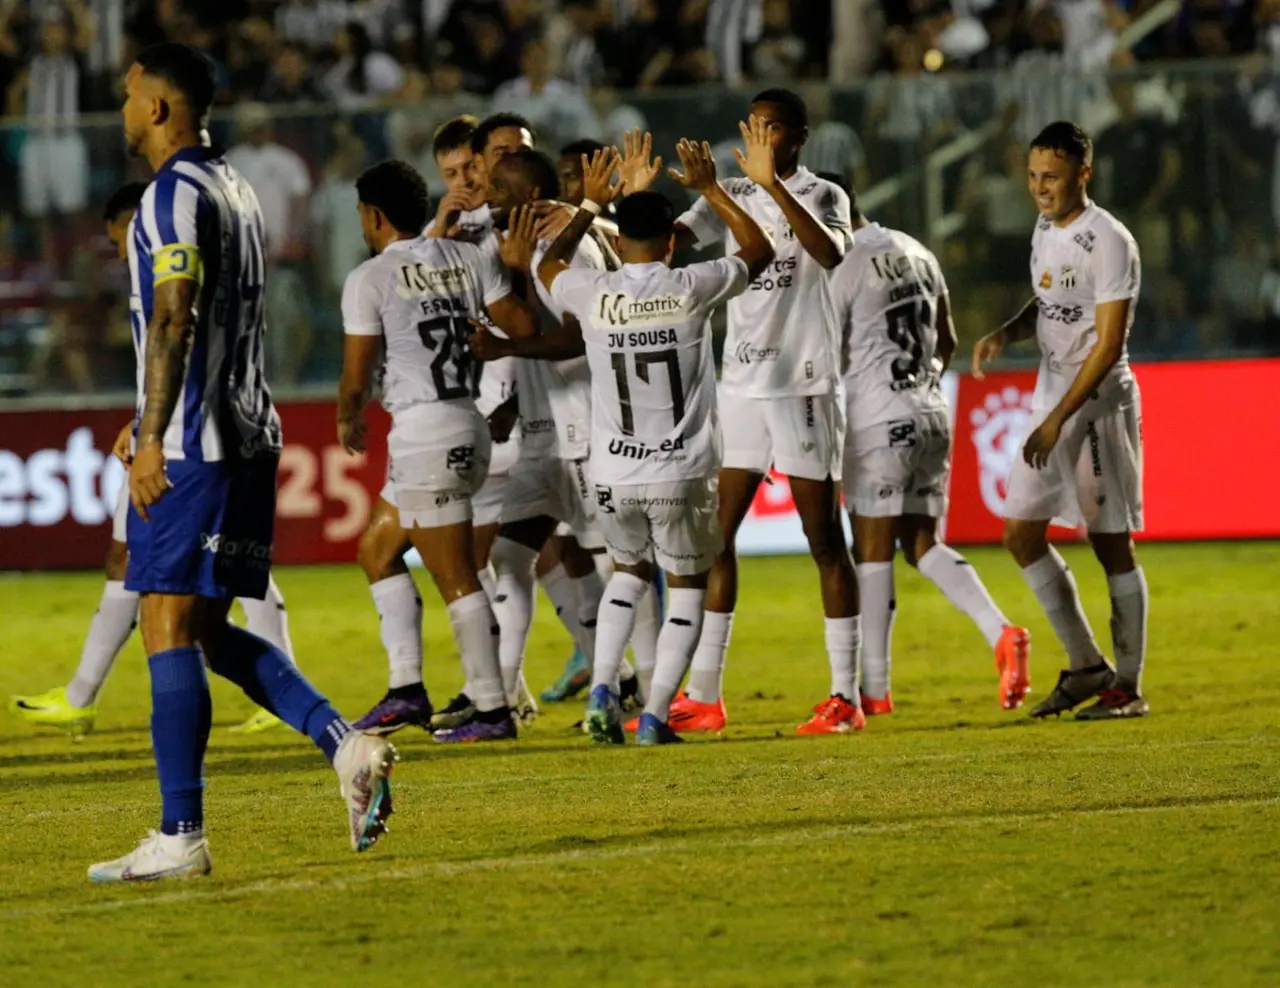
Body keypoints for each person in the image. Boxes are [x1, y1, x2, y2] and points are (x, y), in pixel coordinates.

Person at [89, 43, 397, 884]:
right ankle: (345, 745)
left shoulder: (170, 195)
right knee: (207, 628)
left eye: (129, 96)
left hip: (197, 443)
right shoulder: (238, 187)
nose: (123, 110)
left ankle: (180, 833)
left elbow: (176, 316)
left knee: (164, 621)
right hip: (251, 433)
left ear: (158, 107)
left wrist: (154, 435)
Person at [474, 138, 775, 745]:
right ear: (671, 243)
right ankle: (655, 715)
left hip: (613, 472)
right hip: (680, 471)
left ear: (619, 239)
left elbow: (550, 267)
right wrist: (709, 189)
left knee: (627, 577)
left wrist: (586, 205)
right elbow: (760, 250)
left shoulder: (594, 292)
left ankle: (603, 690)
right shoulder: (692, 285)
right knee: (687, 586)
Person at [8, 182, 299, 739]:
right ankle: (81, 695)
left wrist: (151, 429)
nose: (119, 252)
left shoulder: (175, 269)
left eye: (118, 238)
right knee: (152, 560)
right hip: (166, 431)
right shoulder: (159, 273)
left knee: (207, 572)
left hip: (185, 442)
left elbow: (187, 346)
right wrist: (140, 419)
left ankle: (92, 699)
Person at [623, 92, 863, 735]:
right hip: (741, 386)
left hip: (803, 383)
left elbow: (830, 254)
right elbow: (662, 248)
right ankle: (705, 694)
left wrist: (771, 188)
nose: (759, 136)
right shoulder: (727, 193)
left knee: (824, 541)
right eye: (753, 125)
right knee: (713, 538)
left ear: (799, 137)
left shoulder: (822, 194)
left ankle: (845, 697)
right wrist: (638, 200)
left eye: (772, 127)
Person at [338, 159, 539, 744]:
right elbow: (524, 327)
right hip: (463, 422)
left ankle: (492, 708)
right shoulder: (469, 258)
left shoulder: (371, 277)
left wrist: (347, 414)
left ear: (374, 215)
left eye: (362, 213)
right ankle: (405, 689)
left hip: (429, 435)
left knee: (456, 576)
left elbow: (356, 374)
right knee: (377, 550)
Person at [830, 188, 1033, 715]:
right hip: (932, 412)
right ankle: (1001, 631)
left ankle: (875, 690)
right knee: (921, 544)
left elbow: (824, 355)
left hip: (877, 419)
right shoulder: (917, 251)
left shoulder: (842, 267)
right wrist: (917, 385)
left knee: (872, 552)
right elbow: (948, 340)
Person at [972, 120, 1149, 721]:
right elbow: (1050, 303)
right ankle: (1086, 665)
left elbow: (1108, 343)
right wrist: (1008, 331)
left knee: (1110, 542)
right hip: (1049, 400)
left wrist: (1056, 422)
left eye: (1052, 176)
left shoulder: (1110, 241)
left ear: (1084, 173)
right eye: (1032, 176)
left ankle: (1127, 685)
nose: (1040, 187)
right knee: (1020, 534)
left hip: (1097, 405)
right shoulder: (1045, 227)